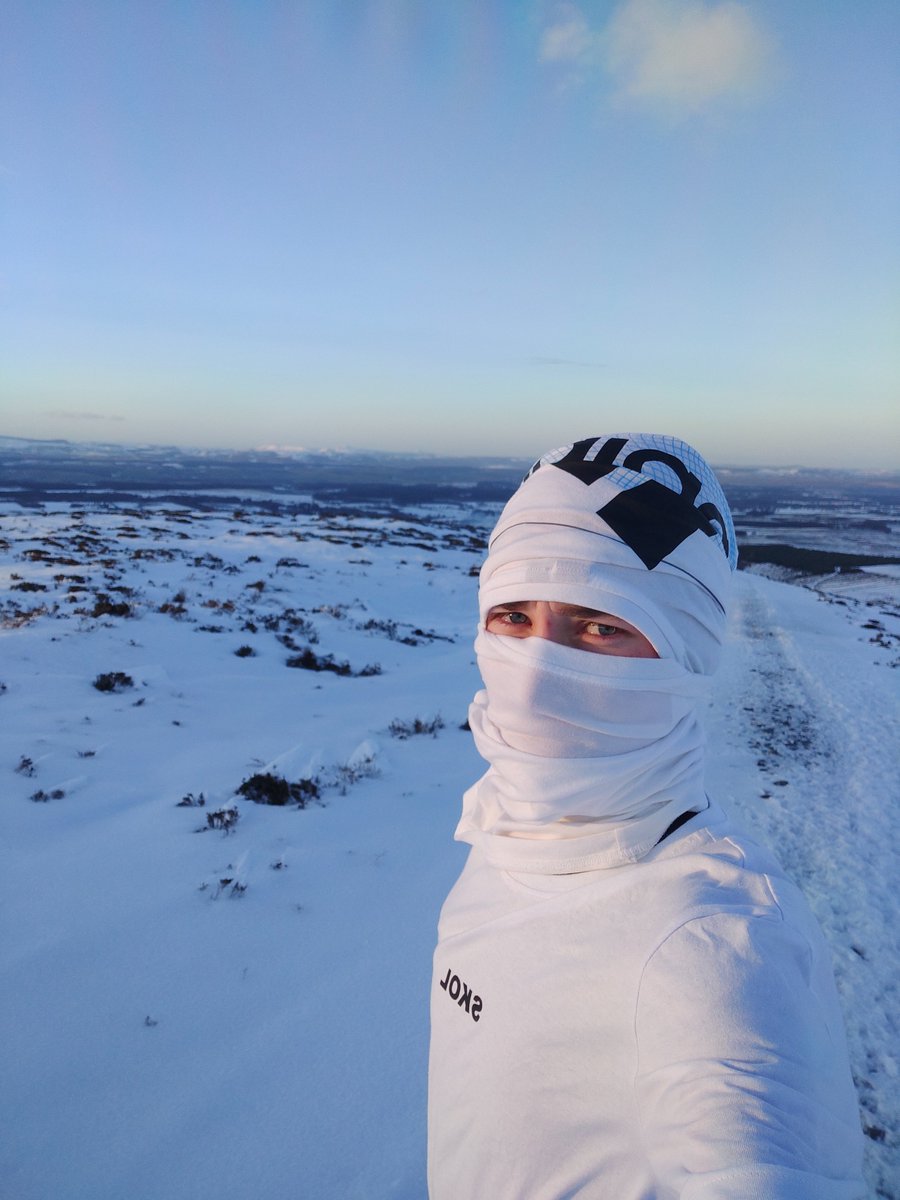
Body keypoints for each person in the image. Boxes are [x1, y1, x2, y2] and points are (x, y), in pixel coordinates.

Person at [427, 434, 864, 1199]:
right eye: (513, 617)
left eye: (601, 626)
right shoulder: (500, 831)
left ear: (685, 657)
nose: (533, 679)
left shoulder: (718, 952)